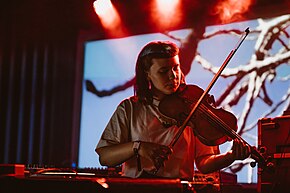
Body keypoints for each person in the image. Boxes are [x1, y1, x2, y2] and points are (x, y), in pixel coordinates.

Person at [95, 40, 251, 180]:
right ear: (147, 74)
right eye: (163, 71)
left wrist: (231, 156)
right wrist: (138, 147)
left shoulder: (193, 106)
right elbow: (105, 157)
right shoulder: (129, 108)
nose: (173, 76)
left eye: (176, 68)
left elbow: (205, 163)